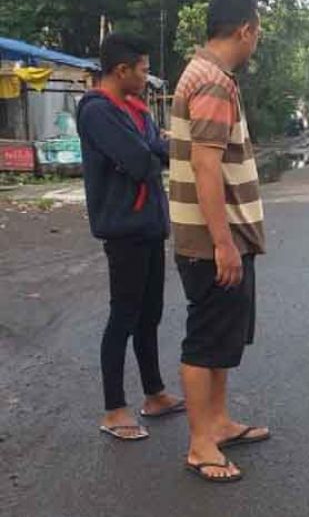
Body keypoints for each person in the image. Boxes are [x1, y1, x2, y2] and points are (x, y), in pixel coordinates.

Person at [169, 0, 269, 483]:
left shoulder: (209, 75)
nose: (257, 40)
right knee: (206, 339)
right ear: (245, 30)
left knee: (223, 337)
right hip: (212, 243)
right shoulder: (211, 82)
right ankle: (200, 444)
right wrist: (223, 243)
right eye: (258, 32)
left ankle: (219, 423)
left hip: (220, 238)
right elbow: (205, 167)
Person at [78, 33, 185, 441]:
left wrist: (155, 150)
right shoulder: (97, 111)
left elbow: (154, 150)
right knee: (123, 315)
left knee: (149, 314)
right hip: (124, 230)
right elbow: (143, 161)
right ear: (121, 70)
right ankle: (114, 409)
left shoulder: (136, 109)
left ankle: (154, 394)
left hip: (150, 226)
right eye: (142, 70)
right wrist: (155, 151)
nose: (146, 77)